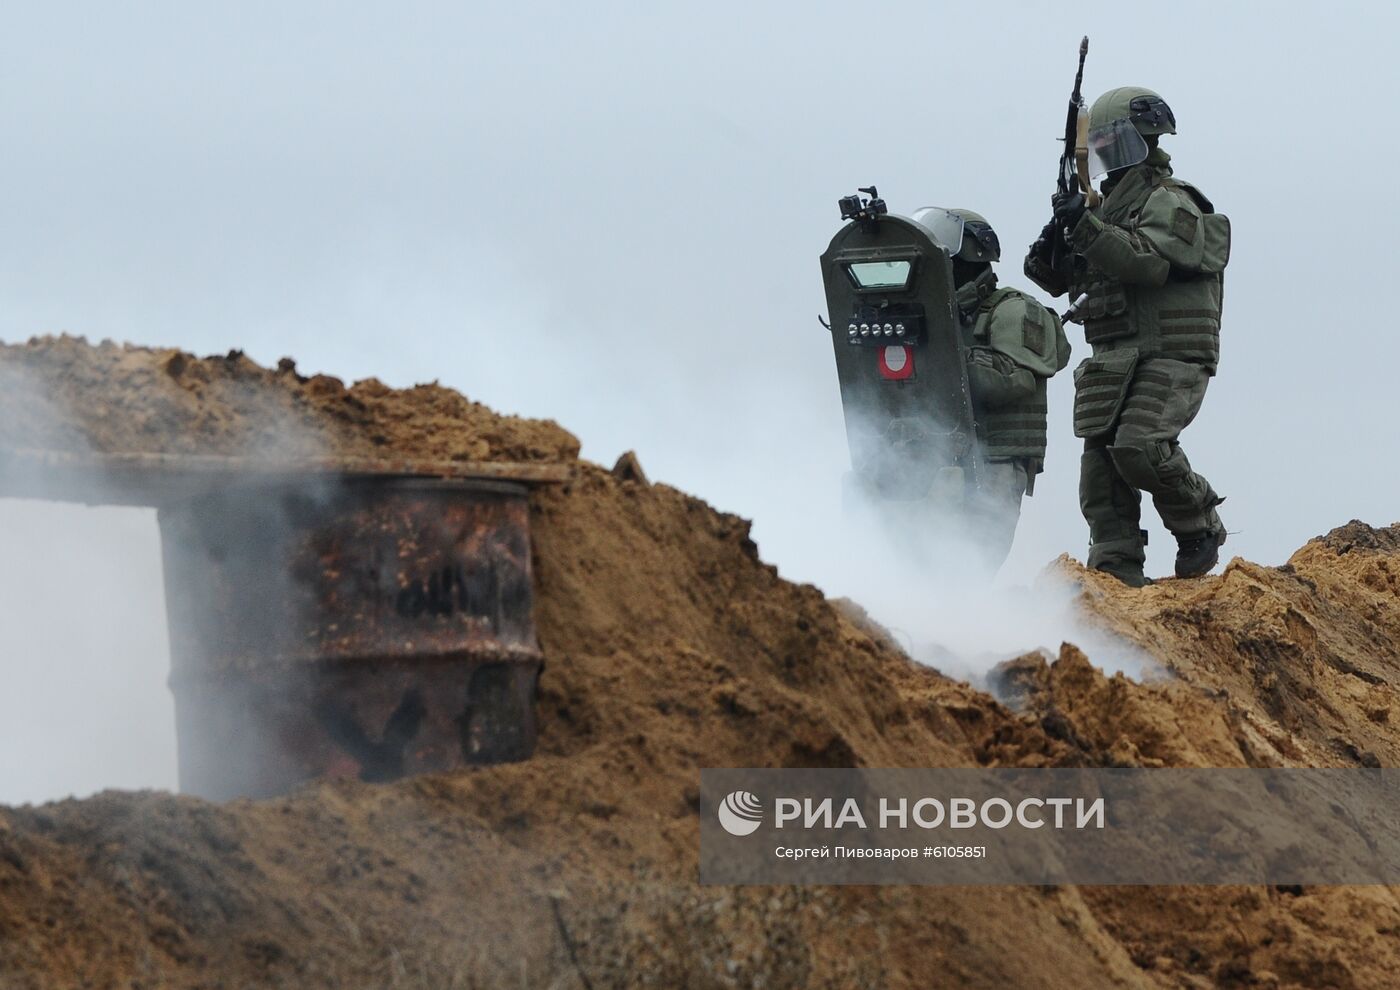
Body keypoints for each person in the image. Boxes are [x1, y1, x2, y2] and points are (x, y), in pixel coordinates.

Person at [1024, 86, 1230, 586]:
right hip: (1114, 355)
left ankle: (1199, 522)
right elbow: (1053, 280)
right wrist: (1059, 235)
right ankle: (1115, 571)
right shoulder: (1102, 206)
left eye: (1113, 143)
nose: (1104, 156)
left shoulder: (1172, 200)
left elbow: (1147, 263)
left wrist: (1086, 227)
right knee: (1100, 472)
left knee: (1139, 446)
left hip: (1170, 351)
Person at [918, 207, 1071, 567]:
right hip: (938, 456)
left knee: (973, 559)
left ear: (971, 257)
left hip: (996, 459)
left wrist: (940, 356)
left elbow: (1011, 378)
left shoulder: (1014, 311)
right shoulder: (942, 316)